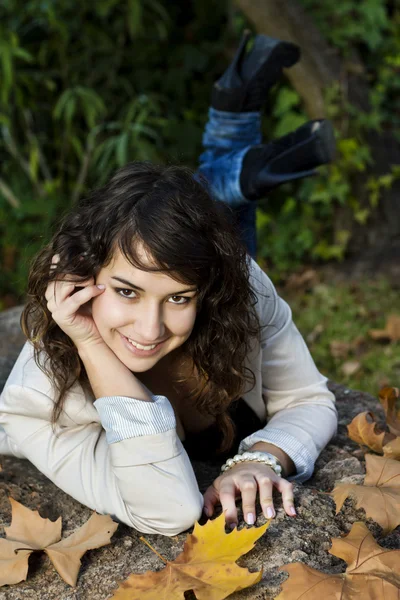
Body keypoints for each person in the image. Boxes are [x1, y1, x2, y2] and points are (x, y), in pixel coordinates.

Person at [0, 32, 338, 536]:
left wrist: (263, 459)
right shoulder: (43, 407)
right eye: (126, 291)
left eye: (178, 297)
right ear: (83, 276)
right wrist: (91, 341)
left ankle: (230, 147)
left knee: (199, 233)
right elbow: (169, 509)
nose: (151, 326)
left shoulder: (238, 284)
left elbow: (309, 399)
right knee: (191, 224)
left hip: (207, 263)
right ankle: (230, 166)